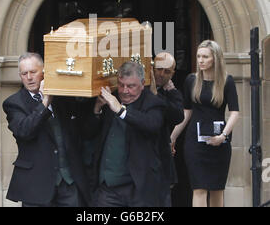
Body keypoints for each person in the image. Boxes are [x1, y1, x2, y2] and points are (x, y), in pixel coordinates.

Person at [2, 52, 90, 207]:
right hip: (36, 186)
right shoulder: (13, 103)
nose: (29, 78)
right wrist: (45, 102)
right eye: (24, 73)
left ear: (44, 72)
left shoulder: (62, 97)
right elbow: (24, 131)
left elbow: (83, 126)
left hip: (68, 183)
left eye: (33, 72)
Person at [171, 40, 240, 207]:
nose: (200, 60)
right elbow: (186, 112)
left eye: (205, 57)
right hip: (195, 143)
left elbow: (235, 113)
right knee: (199, 188)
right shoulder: (191, 80)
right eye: (199, 56)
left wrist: (223, 136)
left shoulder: (226, 81)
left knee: (217, 189)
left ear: (215, 59)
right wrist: (172, 137)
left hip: (219, 142)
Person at [89, 61, 165, 207]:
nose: (124, 91)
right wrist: (97, 109)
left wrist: (121, 111)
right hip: (108, 189)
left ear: (143, 84)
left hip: (138, 189)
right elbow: (88, 133)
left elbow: (152, 125)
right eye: (121, 84)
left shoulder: (152, 103)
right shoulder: (111, 99)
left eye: (131, 86)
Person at [150, 52, 184, 206]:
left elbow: (178, 116)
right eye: (159, 69)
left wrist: (157, 95)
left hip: (161, 159)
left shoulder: (172, 93)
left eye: (167, 71)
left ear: (173, 74)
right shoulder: (138, 87)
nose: (161, 74)